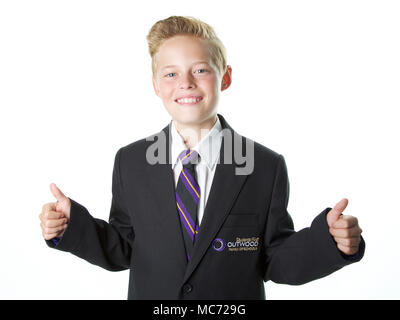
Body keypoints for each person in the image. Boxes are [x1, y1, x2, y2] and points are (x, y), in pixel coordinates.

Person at [39, 16, 365, 300]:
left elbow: (274, 259)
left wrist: (330, 243)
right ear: (155, 85)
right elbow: (123, 247)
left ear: (225, 77)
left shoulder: (264, 166)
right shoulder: (131, 162)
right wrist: (72, 227)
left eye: (200, 69)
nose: (186, 83)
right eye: (170, 74)